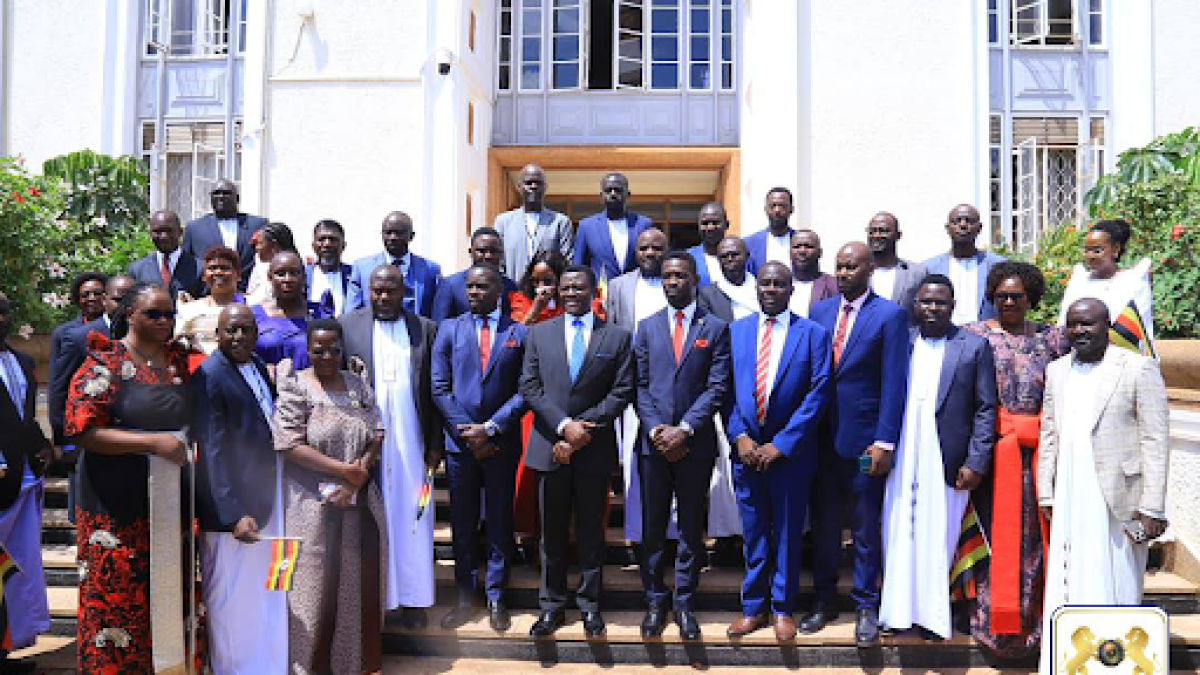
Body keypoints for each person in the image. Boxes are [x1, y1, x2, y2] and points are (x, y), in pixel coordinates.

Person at [64, 283, 195, 672]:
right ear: (129, 315)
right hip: (113, 512)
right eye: (153, 313)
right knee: (116, 605)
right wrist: (153, 443)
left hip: (166, 508)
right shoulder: (104, 362)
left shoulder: (175, 364)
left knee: (164, 605)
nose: (164, 321)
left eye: (169, 314)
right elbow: (81, 430)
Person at [1037, 298, 1169, 673]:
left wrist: (1153, 507)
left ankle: (1118, 664)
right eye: (1072, 324)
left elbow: (1155, 441)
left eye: (1088, 324)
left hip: (1120, 498)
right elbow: (1050, 434)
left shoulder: (1138, 368)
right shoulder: (1057, 371)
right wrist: (1047, 491)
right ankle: (1069, 662)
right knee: (1068, 576)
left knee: (1119, 577)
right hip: (1069, 493)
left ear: (1106, 326)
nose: (1079, 331)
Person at [879, 274, 998, 640]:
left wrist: (976, 462)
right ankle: (896, 612)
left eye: (941, 302)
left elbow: (985, 409)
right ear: (915, 305)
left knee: (939, 533)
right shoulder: (902, 342)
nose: (933, 308)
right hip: (902, 451)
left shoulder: (973, 347)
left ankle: (933, 617)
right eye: (926, 301)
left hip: (946, 457)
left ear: (953, 306)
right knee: (898, 529)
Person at [520, 265, 633, 638]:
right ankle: (551, 607)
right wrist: (562, 427)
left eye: (578, 288)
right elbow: (530, 386)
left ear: (591, 293)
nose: (570, 294)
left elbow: (621, 392)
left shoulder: (616, 337)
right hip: (550, 446)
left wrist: (582, 428)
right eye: (564, 288)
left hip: (593, 448)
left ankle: (589, 606)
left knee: (590, 532)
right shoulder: (538, 334)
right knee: (550, 534)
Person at [804, 242, 908, 647]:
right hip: (822, 441)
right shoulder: (819, 313)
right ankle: (824, 600)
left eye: (852, 267)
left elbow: (893, 382)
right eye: (840, 267)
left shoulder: (891, 316)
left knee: (865, 528)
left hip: (866, 444)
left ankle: (866, 605)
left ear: (869, 271)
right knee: (826, 526)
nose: (845, 273)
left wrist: (884, 441)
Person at [963, 262, 1068, 661]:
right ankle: (990, 620)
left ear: (1031, 298)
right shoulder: (974, 336)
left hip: (1042, 455)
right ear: (991, 296)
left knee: (1035, 541)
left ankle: (1034, 621)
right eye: (1002, 295)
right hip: (990, 456)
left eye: (1017, 296)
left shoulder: (1054, 340)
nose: (1008, 302)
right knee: (991, 536)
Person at [723, 262, 831, 641]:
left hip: (791, 456)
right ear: (757, 289)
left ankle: (782, 608)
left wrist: (782, 445)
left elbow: (818, 393)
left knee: (786, 533)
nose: (770, 289)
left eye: (779, 284)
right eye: (765, 283)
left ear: (790, 290)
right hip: (748, 454)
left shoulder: (813, 334)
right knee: (753, 534)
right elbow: (726, 393)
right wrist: (740, 438)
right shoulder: (736, 332)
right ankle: (753, 608)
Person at [273, 319, 387, 675]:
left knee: (357, 588)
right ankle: (307, 667)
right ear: (307, 350)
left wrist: (356, 478)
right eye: (318, 350)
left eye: (334, 350)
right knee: (310, 592)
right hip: (310, 508)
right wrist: (342, 472)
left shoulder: (357, 383)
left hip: (359, 505)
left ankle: (352, 665)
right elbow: (287, 444)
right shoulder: (296, 387)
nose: (326, 356)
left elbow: (377, 433)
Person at [633, 252, 730, 641]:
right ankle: (656, 601)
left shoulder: (716, 328)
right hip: (653, 446)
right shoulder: (646, 327)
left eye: (680, 275)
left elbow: (718, 386)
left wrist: (686, 428)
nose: (672, 281)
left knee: (691, 527)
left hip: (695, 445)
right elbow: (639, 385)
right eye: (667, 276)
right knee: (653, 526)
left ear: (694, 280)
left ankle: (685, 603)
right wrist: (658, 429)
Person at [340, 265, 444, 630]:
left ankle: (413, 600)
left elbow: (434, 392)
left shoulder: (425, 329)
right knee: (368, 520)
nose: (383, 298)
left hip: (412, 442)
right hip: (364, 444)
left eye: (391, 291)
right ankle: (374, 601)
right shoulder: (347, 326)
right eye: (377, 291)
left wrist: (435, 444)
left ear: (405, 292)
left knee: (413, 519)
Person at [190, 305, 287, 674]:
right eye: (231, 330)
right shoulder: (210, 376)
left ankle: (262, 665)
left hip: (263, 498)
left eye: (246, 330)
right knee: (230, 600)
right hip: (232, 513)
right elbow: (211, 453)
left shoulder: (258, 366)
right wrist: (232, 514)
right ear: (217, 333)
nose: (239, 337)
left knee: (259, 594)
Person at [431, 263, 527, 632]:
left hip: (501, 443)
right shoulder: (449, 330)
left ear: (499, 290)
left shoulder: (517, 333)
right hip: (460, 447)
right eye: (469, 287)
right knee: (463, 523)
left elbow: (525, 389)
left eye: (482, 287)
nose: (473, 293)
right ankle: (464, 597)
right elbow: (439, 387)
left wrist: (490, 428)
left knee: (500, 521)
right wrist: (466, 431)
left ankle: (497, 596)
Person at [506, 251, 605, 542]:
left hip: (581, 407)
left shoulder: (579, 306)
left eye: (549, 280)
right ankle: (533, 537)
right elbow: (514, 341)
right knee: (535, 475)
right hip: (539, 405)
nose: (543, 287)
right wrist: (536, 307)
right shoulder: (520, 302)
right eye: (537, 281)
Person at [605, 227, 669, 543]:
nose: (649, 253)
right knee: (633, 460)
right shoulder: (618, 287)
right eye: (644, 248)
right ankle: (636, 535)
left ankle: (668, 535)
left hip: (670, 385)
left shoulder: (678, 283)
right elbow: (613, 334)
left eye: (656, 248)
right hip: (632, 383)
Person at [0, 291, 52, 674]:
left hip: (23, 478)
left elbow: (23, 417)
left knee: (16, 570)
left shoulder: (20, 360)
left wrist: (43, 446)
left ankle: (7, 647)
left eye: (2, 310)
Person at [1058, 219, 1156, 357]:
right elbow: (1063, 324)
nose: (1090, 256)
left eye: (1097, 250)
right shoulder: (1078, 281)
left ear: (1115, 249)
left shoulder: (1132, 281)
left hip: (1122, 357)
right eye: (1087, 250)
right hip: (1079, 359)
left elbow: (1138, 326)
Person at [48, 272, 108, 446]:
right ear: (77, 299)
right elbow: (58, 382)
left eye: (97, 293)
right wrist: (59, 427)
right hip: (77, 417)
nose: (92, 298)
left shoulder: (119, 329)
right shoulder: (64, 333)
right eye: (85, 295)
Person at [346, 211, 443, 318]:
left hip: (416, 332)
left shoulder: (430, 270)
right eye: (388, 232)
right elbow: (351, 313)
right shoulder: (362, 269)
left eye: (399, 233)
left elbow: (437, 313)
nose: (393, 237)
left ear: (411, 236)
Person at [923, 204, 1007, 324]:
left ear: (979, 228)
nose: (963, 225)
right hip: (946, 338)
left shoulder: (998, 266)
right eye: (957, 221)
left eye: (969, 221)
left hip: (988, 338)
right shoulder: (929, 268)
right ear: (947, 228)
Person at [493, 164, 574, 283]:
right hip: (513, 293)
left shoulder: (560, 222)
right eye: (529, 183)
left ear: (545, 187)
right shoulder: (503, 222)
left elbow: (567, 261)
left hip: (548, 293)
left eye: (538, 183)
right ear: (519, 187)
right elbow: (498, 260)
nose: (534, 186)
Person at [182, 179, 267, 290]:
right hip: (209, 295)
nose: (220, 197)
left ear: (237, 198)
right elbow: (186, 265)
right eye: (216, 193)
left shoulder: (258, 225)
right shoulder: (194, 228)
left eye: (226, 193)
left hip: (249, 293)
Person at [252, 251, 327, 371]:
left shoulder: (321, 313)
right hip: (267, 387)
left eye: (294, 273)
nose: (287, 279)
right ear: (270, 277)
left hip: (311, 387)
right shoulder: (253, 315)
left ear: (303, 277)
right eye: (280, 274)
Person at [574, 172, 654, 282]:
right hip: (601, 295)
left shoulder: (644, 224)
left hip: (635, 291)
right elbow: (579, 267)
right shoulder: (586, 227)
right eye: (608, 190)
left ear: (628, 194)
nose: (613, 194)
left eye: (618, 190)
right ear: (601, 195)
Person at [430, 227, 518, 322]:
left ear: (501, 254)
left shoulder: (510, 286)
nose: (488, 256)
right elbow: (440, 326)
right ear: (470, 252)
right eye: (481, 251)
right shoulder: (450, 285)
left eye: (493, 251)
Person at [175, 246, 244, 358]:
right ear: (204, 276)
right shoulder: (189, 309)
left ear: (238, 275)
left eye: (225, 268)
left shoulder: (250, 307)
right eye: (212, 268)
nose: (218, 272)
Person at [127, 210, 203, 299]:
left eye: (169, 231)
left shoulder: (199, 268)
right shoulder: (137, 270)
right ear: (150, 234)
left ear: (181, 232)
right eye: (157, 231)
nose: (164, 236)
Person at [866, 211, 927, 315]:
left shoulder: (917, 273)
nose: (876, 235)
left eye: (883, 231)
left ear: (898, 235)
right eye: (872, 231)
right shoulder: (860, 272)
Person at [699, 236, 759, 322]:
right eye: (724, 256)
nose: (730, 259)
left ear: (747, 256)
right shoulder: (707, 296)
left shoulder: (762, 289)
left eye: (735, 254)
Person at [245, 222, 299, 306]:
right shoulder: (259, 268)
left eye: (259, 243)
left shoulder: (296, 270)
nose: (256, 248)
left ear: (274, 245)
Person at [306, 219, 353, 318]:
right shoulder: (303, 275)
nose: (327, 244)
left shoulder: (354, 275)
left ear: (343, 245)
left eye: (333, 239)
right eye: (321, 239)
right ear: (313, 246)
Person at [743, 187, 797, 271]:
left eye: (782, 206)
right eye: (773, 206)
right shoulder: (749, 244)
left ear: (791, 209)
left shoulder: (801, 243)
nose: (777, 210)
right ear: (766, 210)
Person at [787, 229, 838, 318]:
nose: (802, 251)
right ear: (790, 253)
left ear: (820, 253)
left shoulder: (834, 285)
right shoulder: (780, 285)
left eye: (809, 246)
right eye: (797, 247)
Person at [687, 202, 733, 287]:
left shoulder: (739, 257)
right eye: (705, 223)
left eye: (715, 222)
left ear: (727, 225)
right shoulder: (688, 258)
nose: (710, 227)